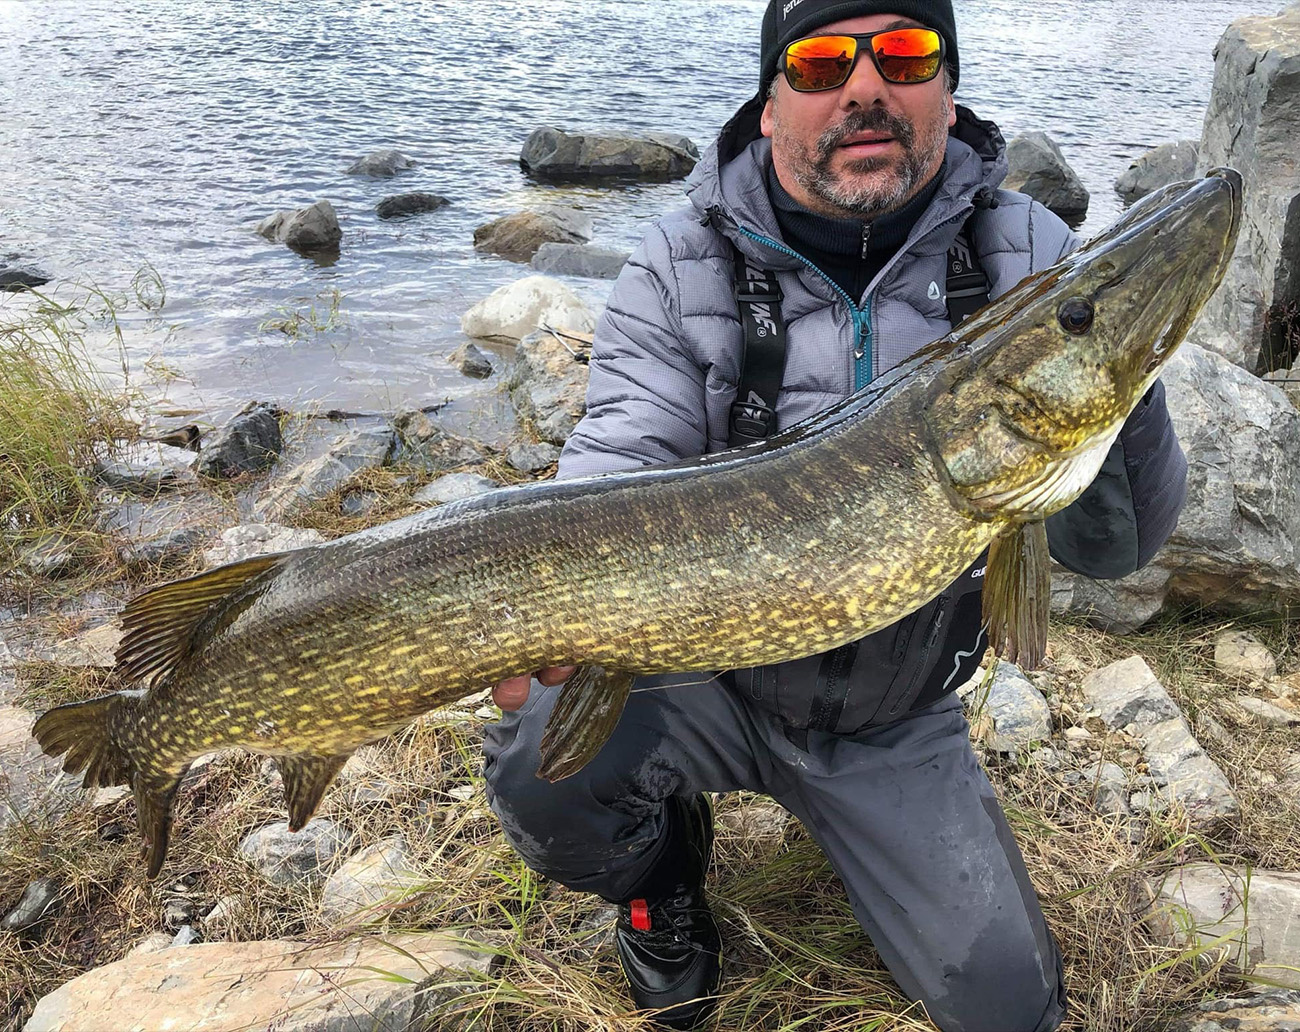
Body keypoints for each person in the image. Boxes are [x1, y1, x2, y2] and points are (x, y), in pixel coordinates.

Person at [483, 2, 1188, 1030]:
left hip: (891, 715)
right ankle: (658, 882)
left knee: (1006, 1009)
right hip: (700, 677)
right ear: (770, 108)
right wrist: (559, 612)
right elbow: (617, 474)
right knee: (541, 758)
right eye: (818, 64)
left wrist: (1120, 369)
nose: (864, 87)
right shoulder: (679, 265)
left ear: (947, 89)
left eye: (903, 54)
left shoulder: (1031, 260)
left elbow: (1115, 546)